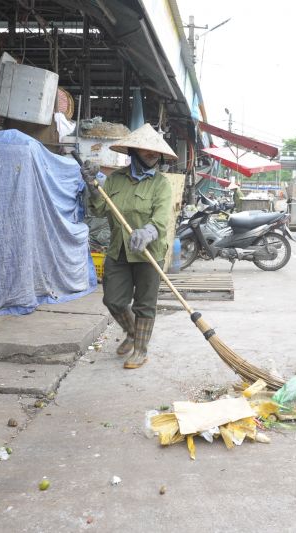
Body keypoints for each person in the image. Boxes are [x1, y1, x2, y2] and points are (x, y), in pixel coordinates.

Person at [81, 123, 175, 370]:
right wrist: (92, 185)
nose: (152, 155)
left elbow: (161, 218)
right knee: (113, 299)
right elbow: (99, 209)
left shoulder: (161, 184)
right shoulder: (115, 180)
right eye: (146, 150)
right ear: (133, 152)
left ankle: (140, 350)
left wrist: (148, 232)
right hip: (119, 250)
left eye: (156, 152)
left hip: (148, 253)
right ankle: (133, 332)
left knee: (145, 303)